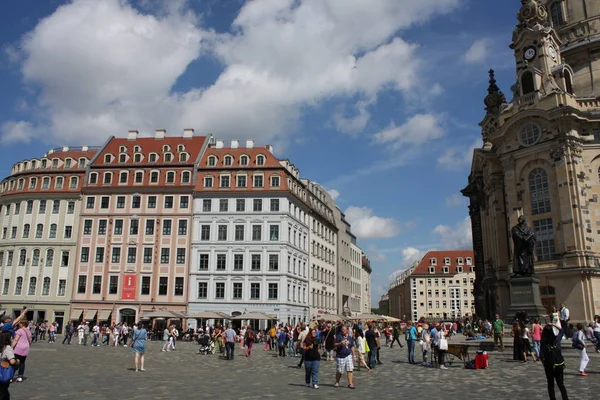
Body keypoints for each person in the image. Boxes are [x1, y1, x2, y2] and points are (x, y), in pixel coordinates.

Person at [540, 325, 568, 400]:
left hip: (549, 365)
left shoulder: (543, 343)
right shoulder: (556, 340)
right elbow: (562, 330)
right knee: (561, 384)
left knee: (550, 384)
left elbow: (541, 356)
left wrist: (544, 365)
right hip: (559, 365)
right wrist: (553, 324)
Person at [0, 331, 19, 399]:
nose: (12, 339)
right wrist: (17, 361)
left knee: (5, 393)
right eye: (11, 338)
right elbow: (12, 361)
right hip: (3, 373)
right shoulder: (7, 348)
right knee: (3, 391)